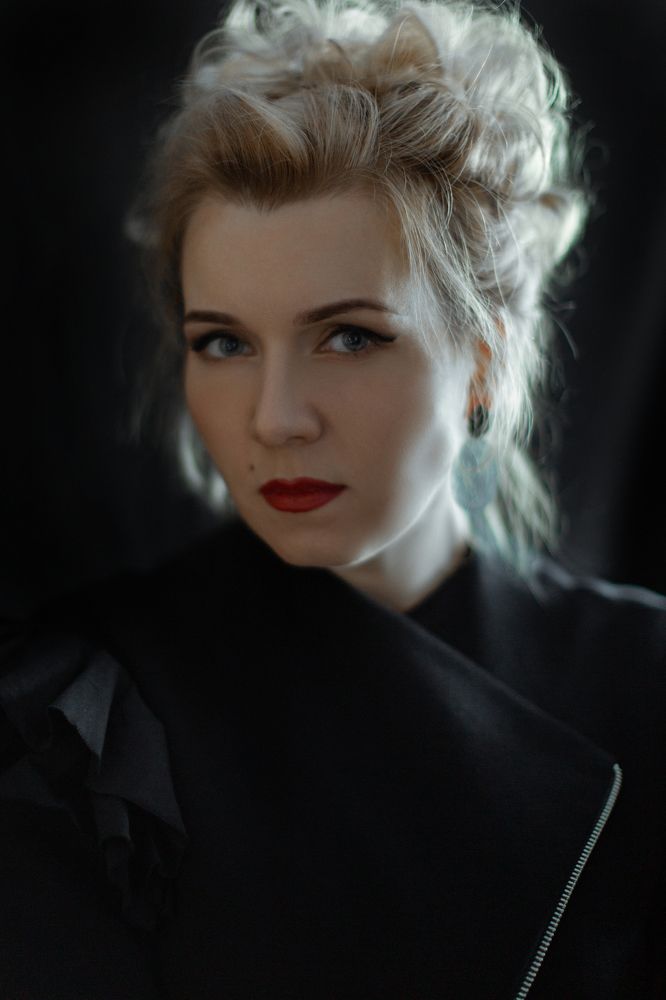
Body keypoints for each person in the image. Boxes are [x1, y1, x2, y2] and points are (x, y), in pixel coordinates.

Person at [1, 0, 664, 997]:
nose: (275, 418)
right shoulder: (85, 715)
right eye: (224, 342)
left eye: (350, 336)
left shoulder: (643, 682)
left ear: (484, 362)